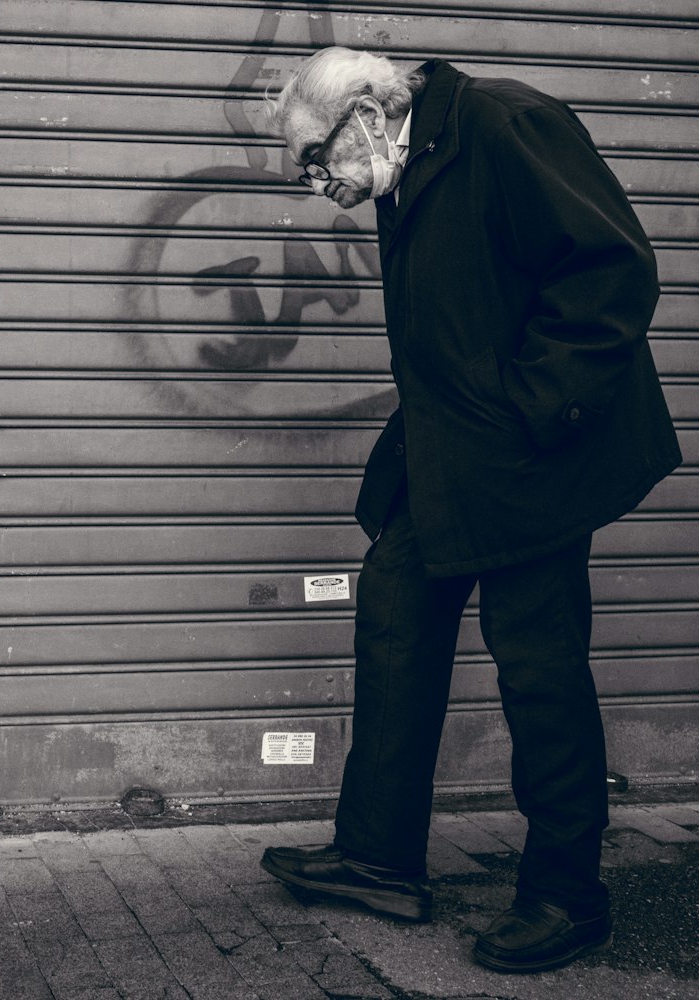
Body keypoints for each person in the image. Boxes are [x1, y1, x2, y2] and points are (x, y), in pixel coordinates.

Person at [259, 48, 682, 974]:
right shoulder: (401, 166)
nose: (313, 177)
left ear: (367, 112)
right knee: (396, 617)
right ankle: (377, 856)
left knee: (539, 665)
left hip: (532, 457)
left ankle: (568, 896)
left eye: (313, 154)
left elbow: (612, 272)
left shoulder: (505, 123)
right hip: (448, 455)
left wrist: (534, 410)